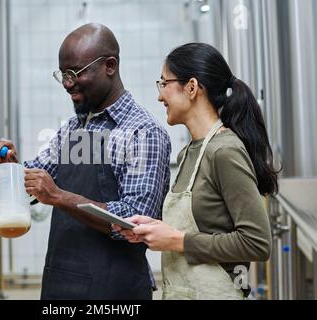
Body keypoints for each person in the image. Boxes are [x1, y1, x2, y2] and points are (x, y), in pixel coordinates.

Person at [0, 23, 171, 299]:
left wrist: (59, 197)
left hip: (113, 290)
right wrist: (11, 167)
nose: (67, 83)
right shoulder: (74, 127)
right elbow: (37, 180)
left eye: (75, 73)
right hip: (61, 284)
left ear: (110, 66)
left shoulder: (142, 132)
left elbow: (135, 221)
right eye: (62, 74)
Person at [115, 43, 278, 300]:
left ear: (191, 88)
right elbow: (204, 224)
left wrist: (178, 241)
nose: (160, 96)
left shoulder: (224, 151)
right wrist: (154, 229)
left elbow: (257, 242)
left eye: (164, 83)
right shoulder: (188, 152)